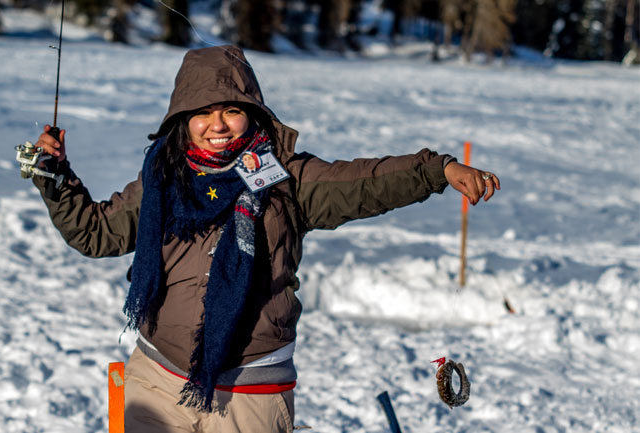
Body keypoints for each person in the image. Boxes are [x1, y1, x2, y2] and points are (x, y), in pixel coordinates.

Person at [30, 45, 499, 433]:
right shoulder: (163, 179)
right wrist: (55, 178)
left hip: (250, 394)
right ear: (182, 117)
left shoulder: (286, 181)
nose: (217, 125)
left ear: (252, 113)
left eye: (231, 110)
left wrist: (437, 170)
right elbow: (94, 233)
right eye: (202, 112)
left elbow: (365, 182)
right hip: (156, 381)